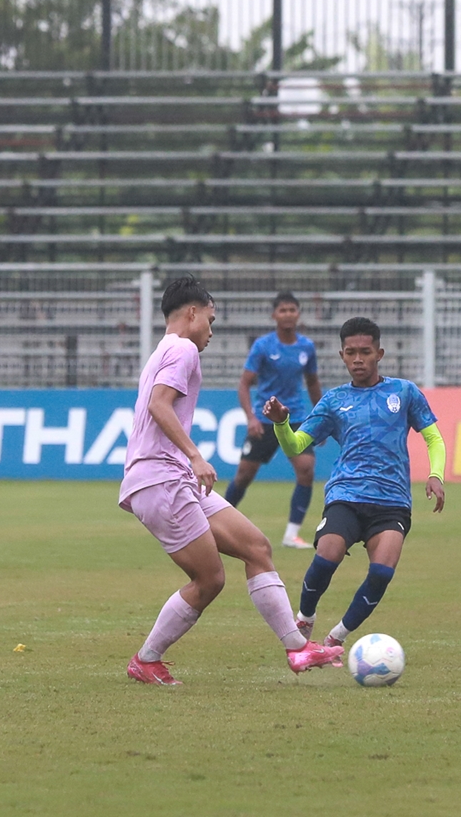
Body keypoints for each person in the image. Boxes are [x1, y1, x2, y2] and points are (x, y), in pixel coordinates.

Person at [118, 276, 343, 686]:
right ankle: (147, 658)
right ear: (192, 312)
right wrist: (195, 455)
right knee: (210, 579)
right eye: (211, 318)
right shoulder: (183, 348)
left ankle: (297, 649)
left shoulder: (162, 350)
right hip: (161, 479)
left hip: (171, 478)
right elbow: (158, 405)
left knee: (256, 547)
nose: (211, 330)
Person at [263, 316, 446, 654]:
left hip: (392, 501)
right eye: (351, 353)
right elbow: (296, 446)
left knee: (381, 573)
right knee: (327, 555)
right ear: (341, 355)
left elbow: (433, 437)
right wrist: (282, 424)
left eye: (365, 352)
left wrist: (436, 474)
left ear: (380, 353)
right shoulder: (333, 401)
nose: (358, 359)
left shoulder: (404, 392)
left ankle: (336, 638)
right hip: (347, 493)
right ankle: (304, 617)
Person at [224, 291, 322, 549]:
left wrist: (321, 416)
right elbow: (244, 384)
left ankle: (292, 534)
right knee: (244, 475)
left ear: (298, 314)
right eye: (283, 310)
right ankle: (215, 524)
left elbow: (312, 382)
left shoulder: (306, 347)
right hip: (266, 418)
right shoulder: (263, 346)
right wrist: (251, 417)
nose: (288, 314)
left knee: (306, 469)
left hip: (296, 417)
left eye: (292, 310)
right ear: (274, 315)